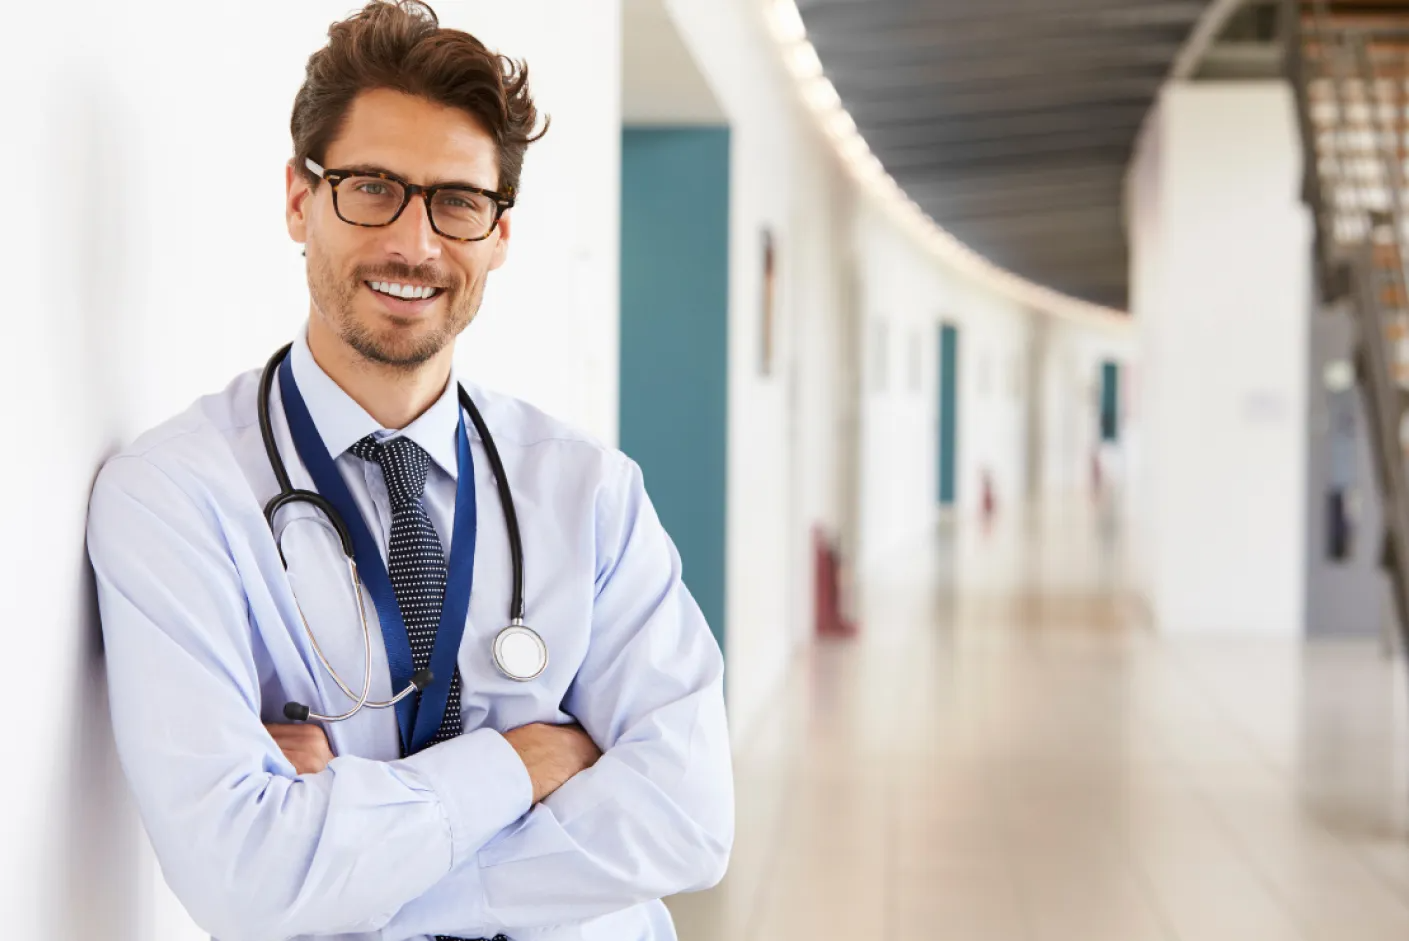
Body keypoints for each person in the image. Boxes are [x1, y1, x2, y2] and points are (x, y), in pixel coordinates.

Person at [84, 3, 733, 940]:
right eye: (372, 187)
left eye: (457, 201)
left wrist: (358, 866)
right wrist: (525, 764)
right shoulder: (175, 498)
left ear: (499, 235)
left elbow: (688, 813)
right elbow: (243, 876)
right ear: (301, 202)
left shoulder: (587, 492)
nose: (415, 243)